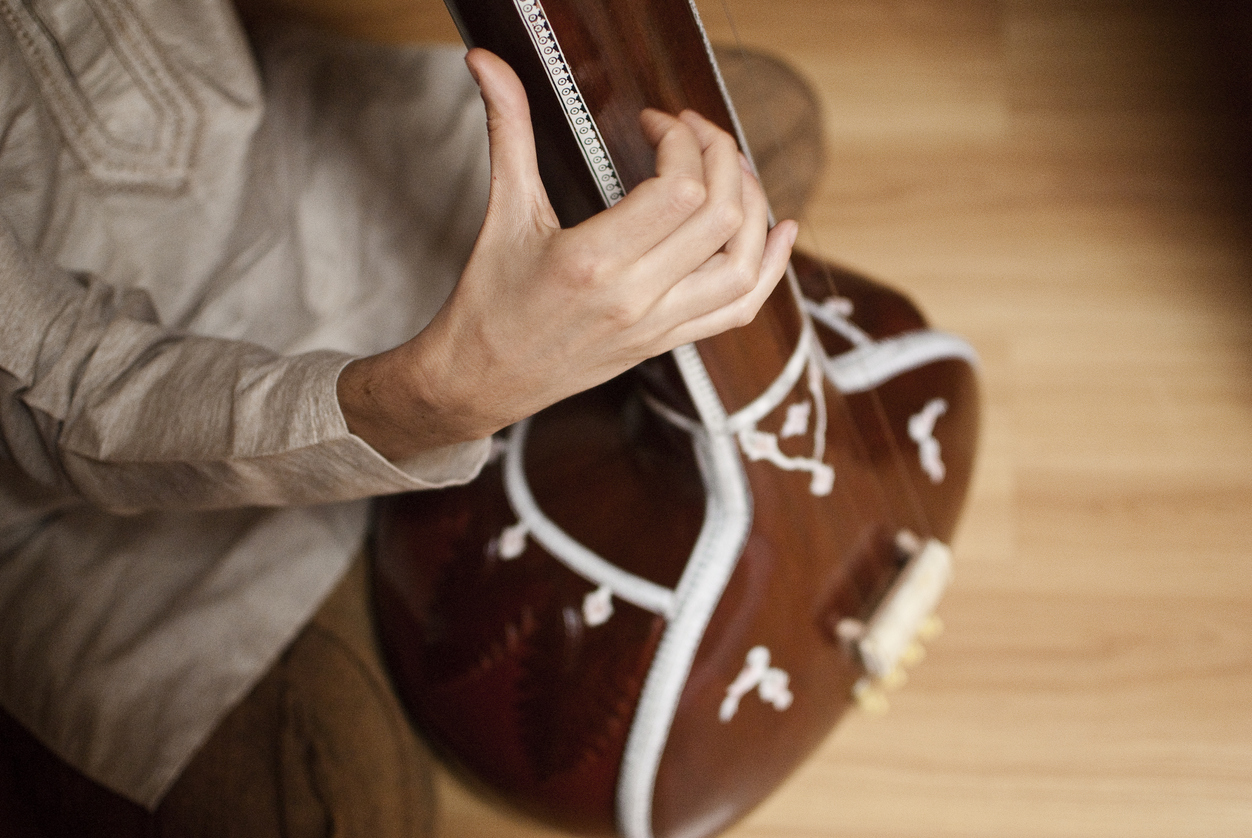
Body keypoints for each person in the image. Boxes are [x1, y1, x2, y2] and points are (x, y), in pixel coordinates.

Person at [0, 0, 803, 834]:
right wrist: (437, 401)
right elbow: (61, 388)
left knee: (753, 132)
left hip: (294, 168)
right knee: (334, 807)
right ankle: (469, 454)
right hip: (92, 495)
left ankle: (472, 454)